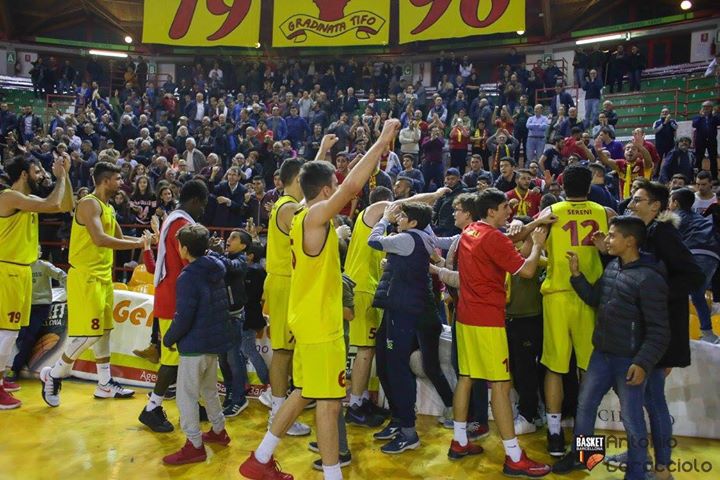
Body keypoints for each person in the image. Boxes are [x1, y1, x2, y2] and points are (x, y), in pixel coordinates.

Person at [239, 119, 402, 480]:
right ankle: (332, 475)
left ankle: (261, 458)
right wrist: (380, 141)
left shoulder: (298, 213)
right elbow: (354, 185)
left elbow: (310, 187)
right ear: (327, 189)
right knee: (328, 404)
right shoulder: (312, 216)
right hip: (320, 321)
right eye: (334, 186)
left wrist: (322, 154)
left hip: (309, 317)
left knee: (305, 393)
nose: (339, 191)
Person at [553, 217, 669, 480]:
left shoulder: (650, 278)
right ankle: (586, 458)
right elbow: (596, 299)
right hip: (601, 354)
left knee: (632, 418)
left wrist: (642, 362)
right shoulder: (613, 267)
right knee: (585, 406)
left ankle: (637, 474)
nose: (606, 240)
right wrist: (577, 276)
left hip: (629, 360)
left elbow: (660, 330)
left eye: (612, 236)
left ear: (630, 241)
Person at [601, 180, 703, 478]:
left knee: (653, 399)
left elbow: (694, 276)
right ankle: (639, 454)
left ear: (656, 206)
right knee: (635, 399)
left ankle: (662, 468)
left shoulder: (664, 233)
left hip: (659, 331)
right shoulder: (645, 234)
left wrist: (655, 293)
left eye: (638, 200)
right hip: (638, 329)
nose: (631, 204)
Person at [447, 188, 551, 477]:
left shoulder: (471, 230)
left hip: (465, 317)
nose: (510, 212)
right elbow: (527, 271)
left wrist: (531, 225)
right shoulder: (493, 237)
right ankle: (514, 457)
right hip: (487, 321)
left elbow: (504, 241)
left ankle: (459, 441)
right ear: (492, 211)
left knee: (465, 378)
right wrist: (538, 244)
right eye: (506, 207)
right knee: (501, 388)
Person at [40, 163, 142, 407]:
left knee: (104, 332)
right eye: (118, 178)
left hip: (103, 276)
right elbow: (101, 239)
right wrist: (139, 245)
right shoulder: (89, 203)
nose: (121, 183)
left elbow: (118, 238)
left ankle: (105, 383)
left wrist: (145, 240)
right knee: (90, 334)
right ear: (105, 181)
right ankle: (54, 373)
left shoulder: (109, 207)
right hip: (85, 276)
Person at [539, 165, 613, 457]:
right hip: (590, 295)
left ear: (561, 184)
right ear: (590, 184)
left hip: (557, 294)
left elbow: (530, 250)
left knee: (555, 367)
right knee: (587, 369)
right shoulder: (604, 212)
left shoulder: (550, 211)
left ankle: (555, 435)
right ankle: (586, 442)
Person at [0, 156, 72, 408]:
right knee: (6, 332)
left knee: (9, 332)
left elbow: (64, 205)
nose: (41, 174)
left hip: (21, 271)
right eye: (36, 170)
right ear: (23, 174)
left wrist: (67, 176)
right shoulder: (9, 197)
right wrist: (60, 176)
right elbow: (54, 203)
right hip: (7, 269)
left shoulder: (28, 201)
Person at [138, 180, 209, 433]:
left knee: (182, 357)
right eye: (203, 205)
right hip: (175, 298)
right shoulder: (183, 223)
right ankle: (151, 408)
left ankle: (187, 402)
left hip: (169, 294)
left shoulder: (172, 218)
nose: (203, 211)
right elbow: (191, 261)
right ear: (196, 201)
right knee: (172, 360)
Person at [160, 224, 232, 465]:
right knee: (210, 390)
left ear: (185, 249)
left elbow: (184, 316)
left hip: (194, 346)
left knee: (186, 396)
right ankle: (219, 430)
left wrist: (168, 338)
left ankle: (194, 445)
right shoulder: (216, 268)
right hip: (213, 343)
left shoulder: (188, 276)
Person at [368, 202, 436, 453]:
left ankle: (408, 430)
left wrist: (384, 219)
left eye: (403, 216)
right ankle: (398, 420)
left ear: (414, 223)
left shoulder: (408, 238)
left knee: (396, 369)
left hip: (403, 310)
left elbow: (373, 241)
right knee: (385, 366)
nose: (398, 218)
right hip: (395, 307)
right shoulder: (417, 237)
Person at [259, 158, 312, 437]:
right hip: (283, 283)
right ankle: (276, 415)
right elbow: (308, 230)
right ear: (298, 180)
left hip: (286, 283)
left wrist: (324, 150)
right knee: (282, 352)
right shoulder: (289, 207)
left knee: (287, 351)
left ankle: (276, 401)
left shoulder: (288, 203)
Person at [669, 188, 720, 343]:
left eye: (670, 201)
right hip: (714, 256)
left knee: (673, 291)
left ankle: (673, 332)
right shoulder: (699, 217)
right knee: (697, 295)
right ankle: (707, 333)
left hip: (695, 254)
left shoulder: (675, 217)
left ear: (675, 203)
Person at [692, 101, 720, 182]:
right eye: (704, 107)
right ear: (702, 108)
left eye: (708, 107)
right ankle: (696, 177)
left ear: (711, 108)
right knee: (698, 159)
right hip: (700, 141)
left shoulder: (715, 116)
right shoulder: (697, 117)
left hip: (712, 141)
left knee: (713, 159)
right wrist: (701, 116)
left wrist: (715, 114)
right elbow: (694, 124)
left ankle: (714, 177)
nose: (706, 109)